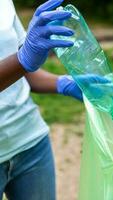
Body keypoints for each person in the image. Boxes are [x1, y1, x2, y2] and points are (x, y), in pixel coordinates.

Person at [0, 0, 85, 199]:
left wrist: (64, 83)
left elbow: (23, 69)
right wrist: (23, 59)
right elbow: (22, 60)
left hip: (31, 142)